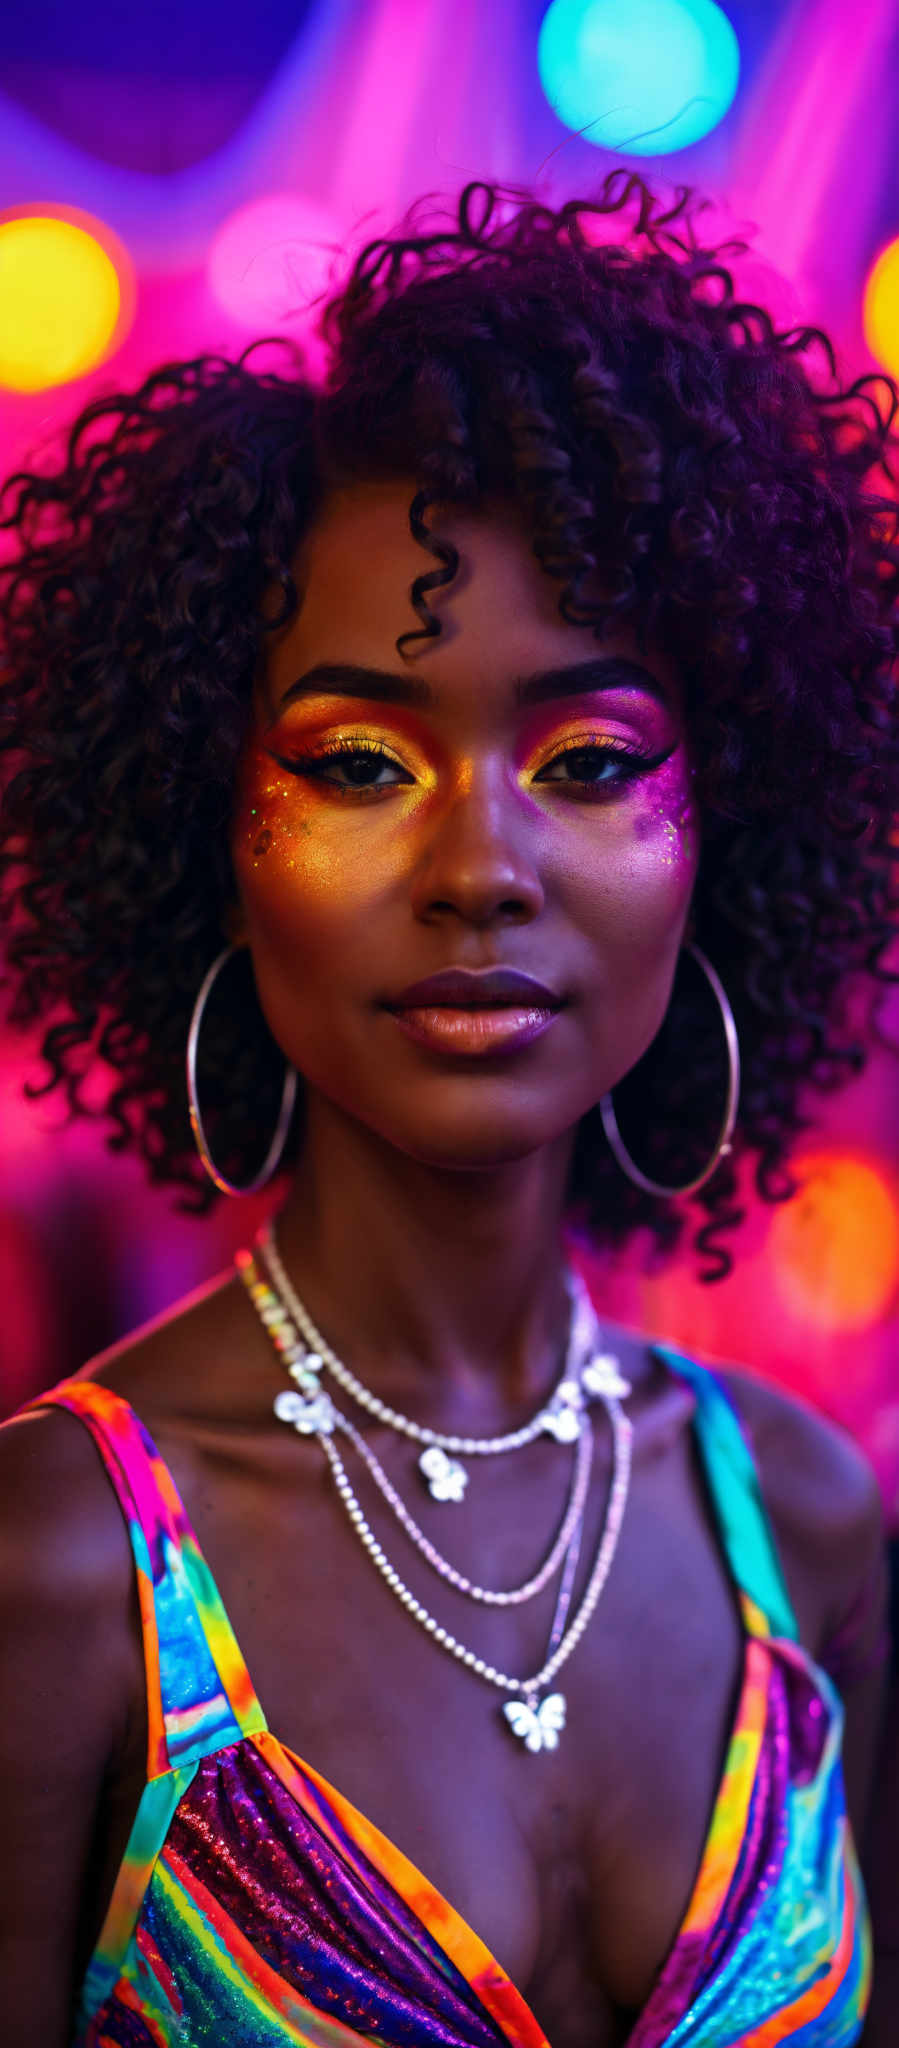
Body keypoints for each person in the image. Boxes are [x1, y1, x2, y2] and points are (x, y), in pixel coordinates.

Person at [0, 177, 894, 2048]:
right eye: (354, 761)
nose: (480, 862)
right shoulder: (57, 1565)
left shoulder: (806, 1530)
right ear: (205, 838)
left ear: (722, 826)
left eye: (586, 761)